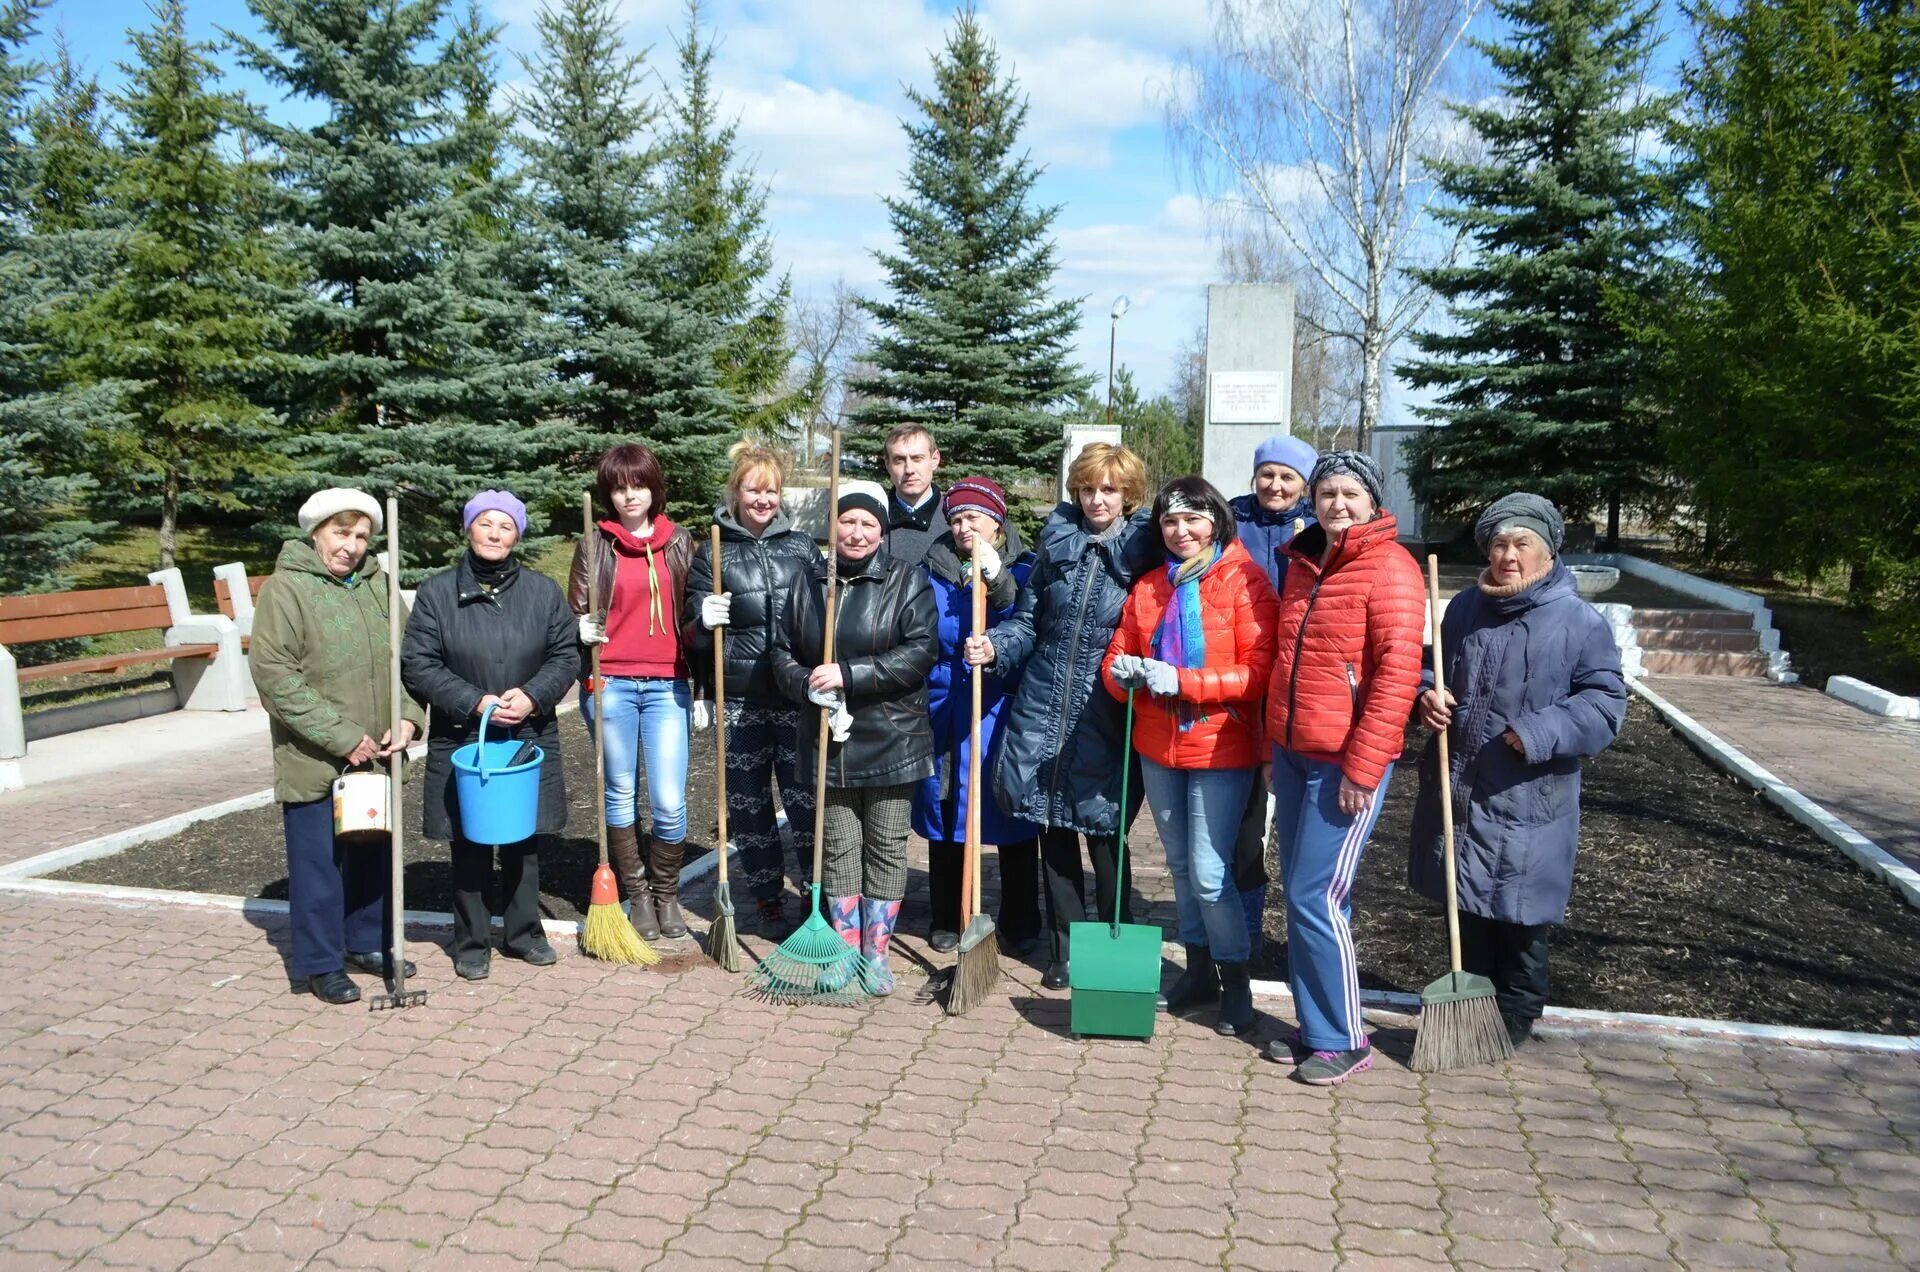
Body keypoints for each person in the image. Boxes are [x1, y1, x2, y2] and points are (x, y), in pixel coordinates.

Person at [1410, 493, 1626, 1048]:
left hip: (1528, 795)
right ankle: (1472, 1017)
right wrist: (1426, 698)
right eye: (1500, 544)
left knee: (1522, 917)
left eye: (1522, 544)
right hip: (1461, 786)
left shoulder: (1579, 622)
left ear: (1548, 553)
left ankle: (1515, 1018)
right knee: (1468, 910)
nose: (1509, 555)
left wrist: (1535, 732)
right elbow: (1429, 672)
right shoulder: (1462, 609)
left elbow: (1605, 705)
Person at [966, 443, 1160, 991]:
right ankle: (1066, 950)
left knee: (1102, 830)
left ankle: (1116, 947)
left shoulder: (1145, 552)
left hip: (1105, 710)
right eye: (1088, 488)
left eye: (1110, 490)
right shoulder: (1056, 546)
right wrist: (996, 646)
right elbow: (1028, 622)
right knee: (1051, 826)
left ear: (1128, 495)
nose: (1098, 500)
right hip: (1043, 701)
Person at [1264, 451, 1425, 1084]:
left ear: (1372, 500)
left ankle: (1344, 1038)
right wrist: (1273, 744)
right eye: (1327, 492)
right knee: (1307, 894)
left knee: (1315, 895)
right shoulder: (1303, 562)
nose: (1337, 504)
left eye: (1350, 493)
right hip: (1294, 751)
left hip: (1346, 763)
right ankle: (1314, 1026)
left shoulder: (1390, 568)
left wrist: (1363, 767)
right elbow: (1286, 661)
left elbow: (1395, 677)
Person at [1104, 477, 1279, 1038]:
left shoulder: (1246, 580)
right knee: (1179, 866)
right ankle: (1199, 970)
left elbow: (1258, 674)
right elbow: (1119, 656)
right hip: (1158, 745)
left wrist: (1184, 680)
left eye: (1192, 520)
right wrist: (1123, 676)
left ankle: (1236, 980)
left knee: (1209, 873)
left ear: (1216, 522)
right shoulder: (1152, 586)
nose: (1181, 532)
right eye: (1170, 523)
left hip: (1220, 744)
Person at [251, 488, 427, 1005]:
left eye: (361, 536)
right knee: (318, 865)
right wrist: (342, 736)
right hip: (316, 757)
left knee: (372, 858)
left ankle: (367, 942)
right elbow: (276, 677)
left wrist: (410, 720)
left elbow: (409, 661)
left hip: (377, 755)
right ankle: (320, 963)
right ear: (316, 532)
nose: (351, 545)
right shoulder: (285, 591)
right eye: (340, 533)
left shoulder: (378, 586)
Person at [403, 490, 579, 980]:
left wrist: (534, 695)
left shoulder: (542, 592)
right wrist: (474, 702)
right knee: (470, 839)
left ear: (517, 534)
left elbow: (566, 654)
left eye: (506, 526)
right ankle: (472, 940)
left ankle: (524, 933)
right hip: (464, 734)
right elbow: (418, 664)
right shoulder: (437, 593)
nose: (496, 533)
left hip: (527, 730)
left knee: (522, 839)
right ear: (469, 529)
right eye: (486, 524)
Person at [773, 484, 939, 995]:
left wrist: (850, 674)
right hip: (827, 735)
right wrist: (806, 685)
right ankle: (844, 953)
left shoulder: (907, 582)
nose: (857, 532)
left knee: (887, 846)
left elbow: (920, 651)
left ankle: (877, 955)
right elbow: (780, 651)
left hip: (892, 734)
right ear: (834, 526)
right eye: (848, 522)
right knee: (839, 847)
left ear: (882, 531)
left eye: (869, 524)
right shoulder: (807, 583)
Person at [683, 442, 821, 935]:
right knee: (748, 802)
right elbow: (690, 631)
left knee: (805, 800)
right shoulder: (714, 549)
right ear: (736, 492)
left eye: (771, 490)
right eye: (752, 490)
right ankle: (765, 896)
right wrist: (703, 618)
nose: (762, 499)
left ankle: (814, 896)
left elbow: (824, 618)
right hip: (738, 696)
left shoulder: (802, 547)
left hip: (794, 695)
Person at [569, 444, 696, 941]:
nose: (629, 497)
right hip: (610, 683)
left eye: (637, 485)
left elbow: (693, 607)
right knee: (620, 791)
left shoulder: (680, 541)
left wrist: (705, 621)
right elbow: (573, 610)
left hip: (668, 684)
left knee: (668, 800)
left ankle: (668, 895)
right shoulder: (594, 543)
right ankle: (638, 894)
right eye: (619, 488)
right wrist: (580, 625)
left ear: (653, 488)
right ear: (609, 494)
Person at [913, 477, 1041, 955]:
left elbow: (1028, 623)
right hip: (946, 704)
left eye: (975, 517)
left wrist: (999, 583)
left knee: (1011, 810)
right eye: (957, 518)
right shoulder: (932, 569)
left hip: (1002, 705)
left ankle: (1022, 918)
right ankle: (948, 913)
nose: (965, 526)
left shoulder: (1025, 565)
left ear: (997, 519)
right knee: (947, 807)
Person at [1226, 434, 1319, 958]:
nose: (1276, 485)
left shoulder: (1316, 529)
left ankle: (1307, 931)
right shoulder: (1230, 522)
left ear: (1303, 484)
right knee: (1245, 818)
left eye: (1287, 477)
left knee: (1301, 821)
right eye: (1268, 475)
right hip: (1241, 682)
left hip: (1297, 684)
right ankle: (1242, 930)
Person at [880, 425, 946, 568]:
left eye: (917, 458)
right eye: (899, 460)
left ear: (934, 460)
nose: (909, 469)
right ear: (887, 464)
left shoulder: (956, 519)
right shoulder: (874, 519)